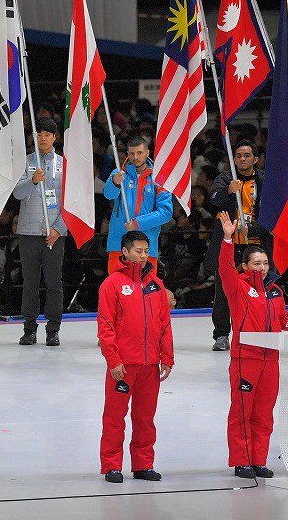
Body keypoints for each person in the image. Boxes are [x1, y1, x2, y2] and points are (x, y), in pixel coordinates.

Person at [217, 211, 288, 479]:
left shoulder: (275, 292)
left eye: (265, 263)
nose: (261, 268)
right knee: (242, 412)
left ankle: (258, 459)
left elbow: (283, 322)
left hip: (270, 361)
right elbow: (224, 268)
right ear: (245, 267)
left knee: (264, 413)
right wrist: (226, 239)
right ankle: (241, 460)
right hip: (245, 360)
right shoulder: (237, 287)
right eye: (256, 264)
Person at [97, 231, 173, 484]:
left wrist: (167, 357)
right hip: (123, 365)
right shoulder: (112, 284)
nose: (142, 256)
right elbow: (105, 325)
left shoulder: (156, 285)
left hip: (150, 364)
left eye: (145, 251)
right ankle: (112, 465)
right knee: (114, 417)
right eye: (137, 251)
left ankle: (143, 464)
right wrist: (113, 360)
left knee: (145, 418)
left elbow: (164, 323)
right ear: (125, 252)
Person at [206, 140, 271, 351]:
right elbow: (214, 198)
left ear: (255, 158)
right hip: (229, 246)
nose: (242, 159)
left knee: (258, 291)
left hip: (255, 245)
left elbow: (273, 213)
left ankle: (256, 332)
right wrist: (227, 190)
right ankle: (222, 334)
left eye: (247, 155)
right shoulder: (225, 177)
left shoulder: (264, 180)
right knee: (224, 292)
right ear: (234, 159)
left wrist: (254, 230)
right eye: (239, 156)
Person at [13, 118, 67, 347]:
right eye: (39, 134)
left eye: (47, 134)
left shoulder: (64, 164)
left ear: (55, 137)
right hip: (28, 232)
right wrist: (33, 181)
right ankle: (29, 329)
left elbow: (70, 202)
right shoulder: (24, 163)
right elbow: (16, 193)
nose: (42, 138)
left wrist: (58, 229)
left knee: (54, 283)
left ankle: (53, 329)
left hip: (55, 232)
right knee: (30, 283)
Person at [103, 136, 173, 275]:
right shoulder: (118, 173)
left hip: (146, 245)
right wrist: (115, 183)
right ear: (127, 153)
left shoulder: (159, 178)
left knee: (145, 292)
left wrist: (137, 224)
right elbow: (108, 195)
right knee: (117, 291)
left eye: (140, 153)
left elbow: (166, 212)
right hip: (119, 242)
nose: (136, 157)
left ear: (147, 153)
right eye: (132, 153)